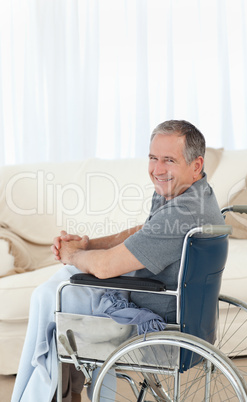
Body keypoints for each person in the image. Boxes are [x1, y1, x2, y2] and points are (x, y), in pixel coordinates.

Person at [12, 120, 225, 402]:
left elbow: (104, 268)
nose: (157, 170)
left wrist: (71, 254)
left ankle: (38, 394)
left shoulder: (182, 212)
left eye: (169, 160)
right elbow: (143, 232)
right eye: (153, 158)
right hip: (167, 304)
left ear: (196, 165)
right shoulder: (191, 194)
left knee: (50, 297)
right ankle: (62, 390)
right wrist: (88, 245)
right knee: (60, 290)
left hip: (152, 318)